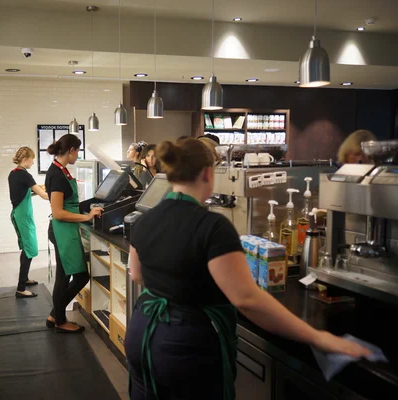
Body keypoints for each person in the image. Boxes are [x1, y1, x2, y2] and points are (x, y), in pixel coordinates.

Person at [125, 138, 371, 399]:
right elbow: (247, 299)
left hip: (141, 334)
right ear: (208, 173)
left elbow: (137, 273)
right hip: (184, 345)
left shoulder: (147, 218)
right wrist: (318, 338)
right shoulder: (213, 227)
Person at [44, 134, 104, 333]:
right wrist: (86, 218)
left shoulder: (61, 171)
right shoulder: (57, 175)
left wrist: (92, 203)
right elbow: (59, 212)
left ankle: (56, 316)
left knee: (64, 275)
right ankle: (59, 318)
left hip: (65, 231)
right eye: (77, 150)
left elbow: (69, 204)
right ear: (70, 150)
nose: (78, 155)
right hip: (62, 231)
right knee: (79, 277)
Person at [8, 146, 49, 299]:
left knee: (26, 247)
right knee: (29, 248)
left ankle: (24, 279)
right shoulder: (26, 176)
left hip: (18, 214)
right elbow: (45, 196)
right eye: (32, 159)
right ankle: (20, 288)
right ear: (25, 159)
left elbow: (23, 193)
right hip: (23, 215)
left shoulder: (13, 174)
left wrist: (36, 191)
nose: (33, 162)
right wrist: (58, 194)